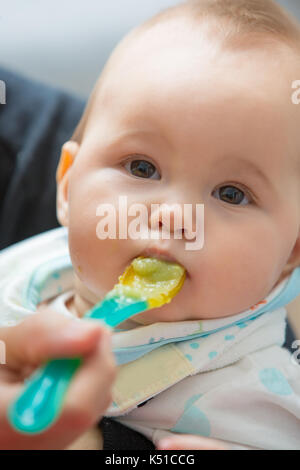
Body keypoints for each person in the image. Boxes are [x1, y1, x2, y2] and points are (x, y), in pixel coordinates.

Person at [1, 0, 300, 449]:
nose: (176, 217)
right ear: (67, 187)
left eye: (231, 194)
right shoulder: (24, 274)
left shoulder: (254, 402)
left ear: (290, 255)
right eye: (141, 168)